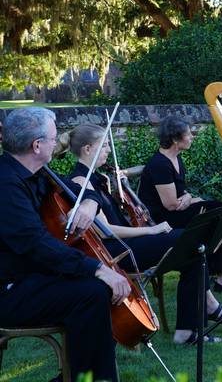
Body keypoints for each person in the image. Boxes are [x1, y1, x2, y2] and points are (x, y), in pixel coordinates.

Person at [59, 124, 222, 345]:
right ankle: (196, 320)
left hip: (128, 243)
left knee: (193, 249)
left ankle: (188, 329)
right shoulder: (80, 181)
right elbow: (105, 232)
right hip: (116, 251)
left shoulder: (97, 177)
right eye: (104, 145)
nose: (108, 149)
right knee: (190, 240)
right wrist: (151, 230)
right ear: (87, 149)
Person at [0, 107, 128, 382]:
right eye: (53, 137)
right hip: (8, 290)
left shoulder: (36, 174)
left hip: (29, 277)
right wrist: (97, 268)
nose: (58, 142)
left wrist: (89, 202)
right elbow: (36, 244)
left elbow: (81, 190)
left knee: (93, 291)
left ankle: (84, 376)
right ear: (37, 146)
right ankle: (88, 377)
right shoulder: (6, 185)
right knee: (92, 291)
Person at [137, 116, 222, 291]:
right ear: (175, 139)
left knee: (219, 211)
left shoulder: (176, 158)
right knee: (217, 212)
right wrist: (189, 197)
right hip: (164, 220)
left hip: (177, 211)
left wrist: (189, 197)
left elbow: (181, 197)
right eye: (188, 134)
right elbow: (172, 205)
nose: (191, 137)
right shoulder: (160, 164)